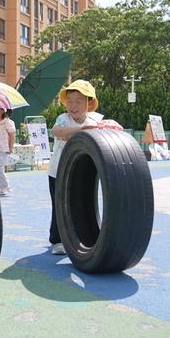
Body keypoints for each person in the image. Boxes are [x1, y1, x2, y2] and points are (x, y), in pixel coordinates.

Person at [47, 80, 101, 256]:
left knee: (81, 203)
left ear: (89, 103)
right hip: (59, 172)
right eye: (70, 101)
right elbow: (57, 132)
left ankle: (85, 236)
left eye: (79, 101)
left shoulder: (96, 120)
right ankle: (57, 240)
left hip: (84, 173)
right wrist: (82, 130)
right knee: (59, 205)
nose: (73, 105)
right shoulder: (63, 119)